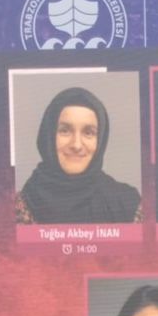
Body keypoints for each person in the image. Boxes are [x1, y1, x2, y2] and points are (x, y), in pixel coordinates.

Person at [16, 86, 141, 224]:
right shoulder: (19, 206)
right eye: (65, 130)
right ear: (49, 136)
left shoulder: (128, 204)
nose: (76, 145)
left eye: (88, 132)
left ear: (100, 140)